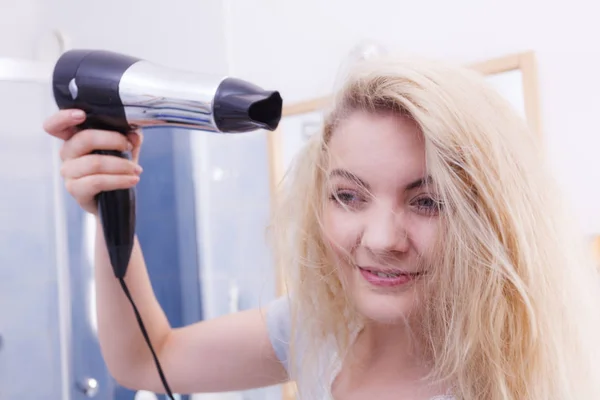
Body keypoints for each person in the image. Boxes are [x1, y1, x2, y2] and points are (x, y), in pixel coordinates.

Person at [43, 55, 600, 400]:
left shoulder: (514, 384)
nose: (381, 239)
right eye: (348, 196)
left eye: (428, 202)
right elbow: (147, 359)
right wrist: (109, 208)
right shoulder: (319, 331)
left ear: (490, 215)